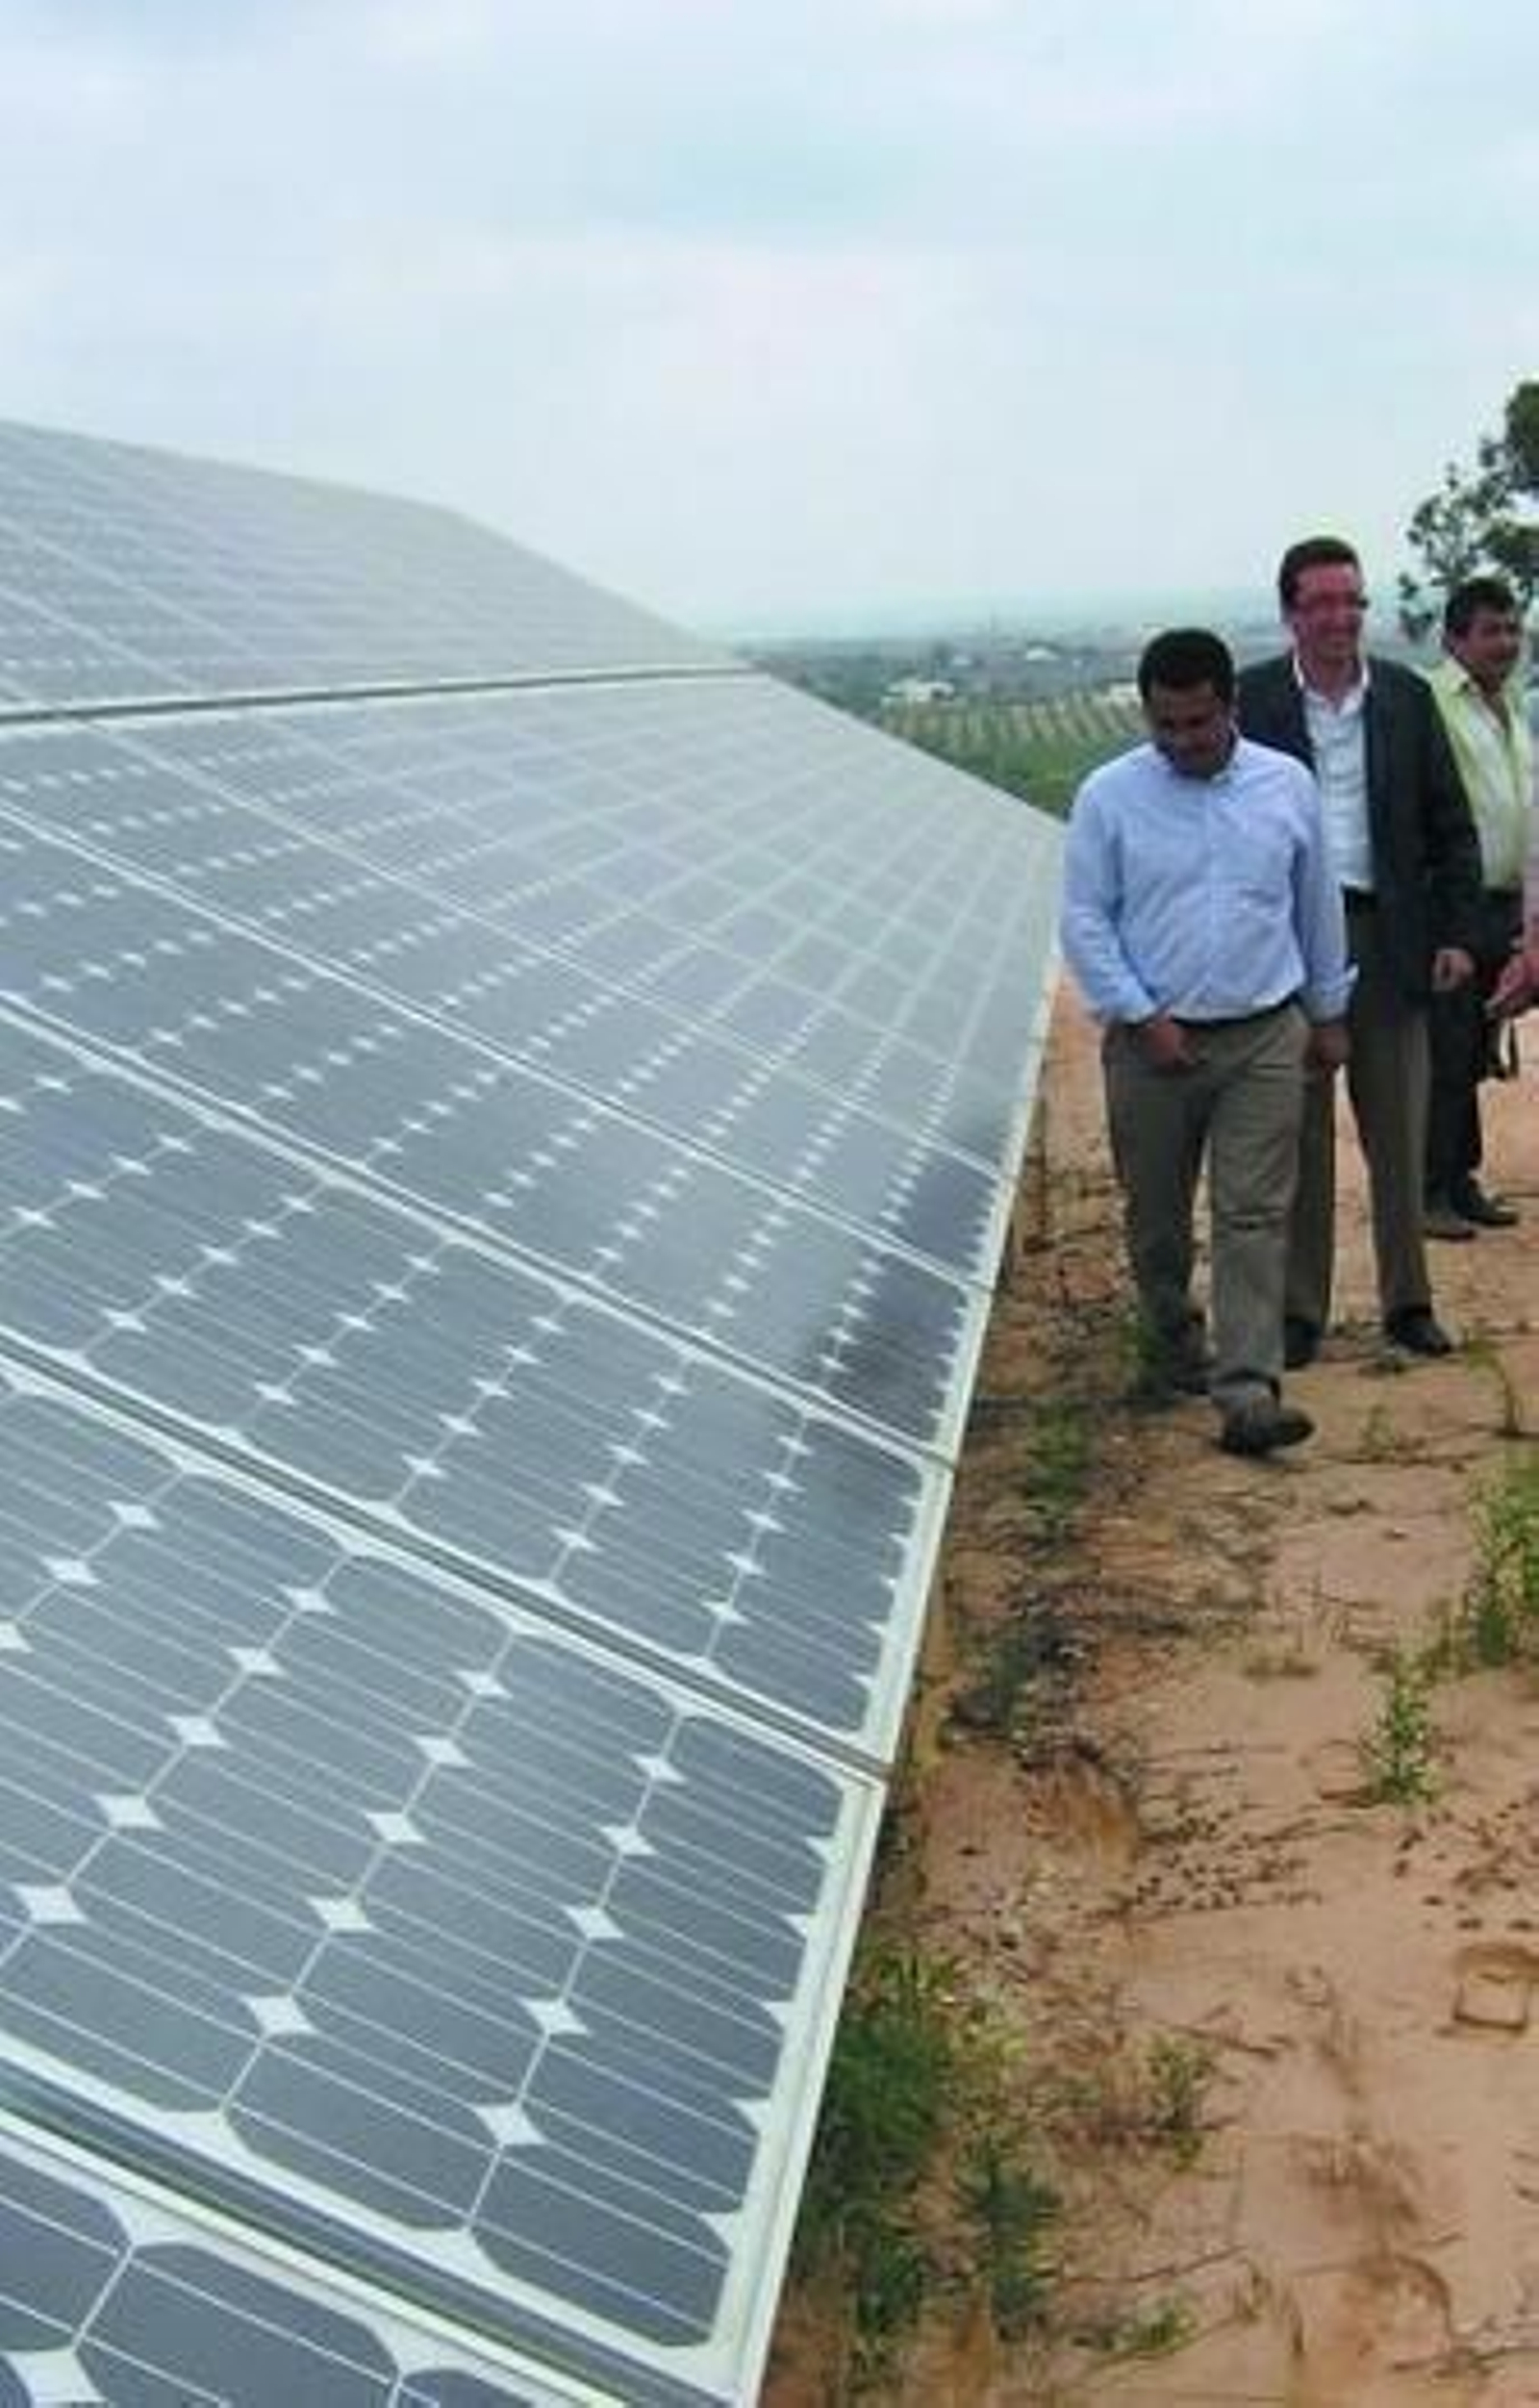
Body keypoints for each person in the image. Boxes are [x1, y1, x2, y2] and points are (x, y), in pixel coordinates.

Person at [1061, 626, 1351, 1457]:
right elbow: (1084, 917)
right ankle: (1172, 1341)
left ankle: (1248, 1389)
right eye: (1167, 727)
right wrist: (1141, 1014)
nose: (1184, 741)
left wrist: (1328, 1013)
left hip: (1263, 1032)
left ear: (1230, 707)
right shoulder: (1109, 797)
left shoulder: (1285, 786)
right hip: (1151, 1042)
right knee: (1157, 1216)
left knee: (1253, 1214)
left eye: (1199, 723)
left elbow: (1314, 903)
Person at [1236, 537, 1482, 1367]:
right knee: (1297, 1135)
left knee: (1399, 1130)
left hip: (1389, 934)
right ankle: (1299, 1312)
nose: (1341, 618)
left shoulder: (1407, 700)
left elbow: (1452, 826)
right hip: (1291, 941)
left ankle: (1407, 1300)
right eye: (1323, 603)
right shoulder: (1253, 701)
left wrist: (1456, 934)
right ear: (1291, 614)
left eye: (1353, 601)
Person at [1423, 575, 1534, 1236]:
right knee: (1444, 1046)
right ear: (1454, 639)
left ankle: (1459, 1179)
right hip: (1453, 903)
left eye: (1512, 629)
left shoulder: (1511, 709)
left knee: (1472, 1050)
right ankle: (1427, 1189)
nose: (1505, 643)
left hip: (1506, 902)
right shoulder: (1431, 701)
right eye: (1490, 630)